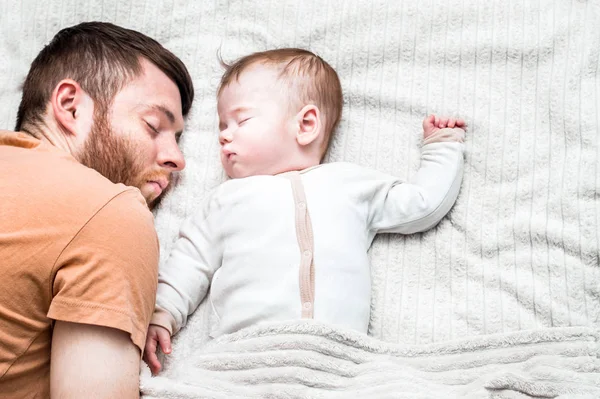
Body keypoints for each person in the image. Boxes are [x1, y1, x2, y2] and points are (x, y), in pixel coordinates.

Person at [143, 48, 465, 375]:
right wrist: (164, 313)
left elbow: (422, 204)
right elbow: (190, 260)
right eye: (222, 125)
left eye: (241, 120)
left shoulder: (350, 184)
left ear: (306, 124)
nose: (224, 134)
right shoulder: (225, 199)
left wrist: (442, 148)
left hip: (339, 358)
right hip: (244, 356)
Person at [0, 22, 194, 397]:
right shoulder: (110, 211)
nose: (177, 159)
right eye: (154, 126)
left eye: (179, 138)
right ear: (71, 106)